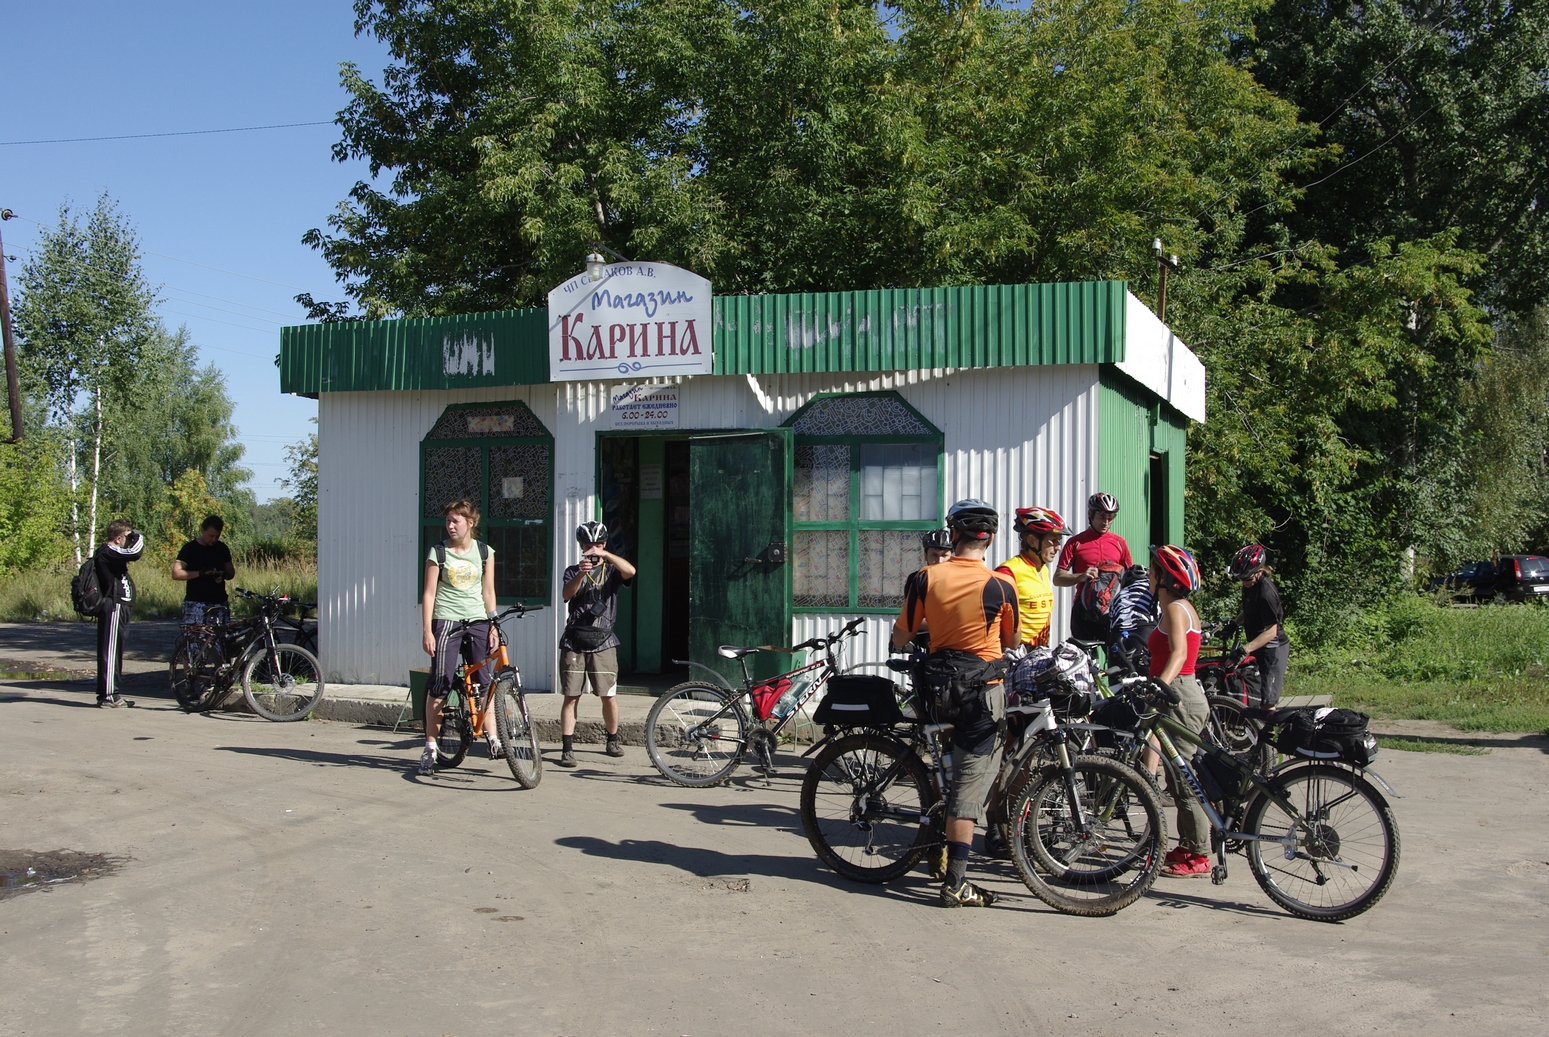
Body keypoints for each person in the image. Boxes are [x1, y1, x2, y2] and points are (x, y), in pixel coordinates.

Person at [891, 499, 1019, 908]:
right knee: (967, 786)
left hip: (938, 692)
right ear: (990, 539)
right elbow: (1012, 641)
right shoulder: (1002, 585)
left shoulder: (924, 578)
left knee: (942, 769)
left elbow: (901, 636)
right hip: (982, 694)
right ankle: (957, 882)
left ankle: (934, 844)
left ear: (954, 535)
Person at [1143, 544, 1213, 879]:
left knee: (1184, 780)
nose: (1148, 574)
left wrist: (1160, 684)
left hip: (1179, 695)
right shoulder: (1175, 607)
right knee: (1175, 774)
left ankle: (1199, 854)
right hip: (1178, 692)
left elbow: (1179, 654)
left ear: (1163, 578)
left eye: (1152, 570)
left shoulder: (1174, 608)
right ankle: (1188, 844)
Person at [419, 500, 500, 776]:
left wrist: (493, 624)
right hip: (447, 620)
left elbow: (488, 591)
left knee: (484, 682)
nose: (450, 526)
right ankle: (431, 746)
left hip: (478, 620)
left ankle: (493, 738)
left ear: (470, 523)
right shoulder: (439, 552)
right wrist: (427, 630)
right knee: (440, 683)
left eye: (456, 521)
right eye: (448, 521)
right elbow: (429, 593)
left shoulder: (485, 552)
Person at [557, 520, 637, 768]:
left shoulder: (612, 570)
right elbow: (566, 595)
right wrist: (582, 573)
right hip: (575, 640)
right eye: (588, 545)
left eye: (598, 544)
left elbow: (631, 571)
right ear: (581, 546)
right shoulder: (573, 570)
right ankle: (567, 748)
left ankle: (612, 740)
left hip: (604, 640)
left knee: (608, 695)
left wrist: (606, 555)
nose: (592, 549)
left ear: (604, 544)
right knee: (571, 696)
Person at [1053, 492, 1133, 640]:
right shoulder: (1075, 543)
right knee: (1081, 653)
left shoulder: (1120, 543)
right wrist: (1081, 576)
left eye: (1110, 518)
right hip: (1083, 610)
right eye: (1102, 516)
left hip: (1111, 609)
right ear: (1090, 514)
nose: (1106, 522)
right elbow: (1058, 579)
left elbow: (1130, 578)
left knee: (1117, 651)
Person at [995, 507, 1069, 648]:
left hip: (1038, 652)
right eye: (1053, 540)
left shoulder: (1043, 570)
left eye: (1058, 541)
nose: (1058, 547)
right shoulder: (1008, 572)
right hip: (1015, 654)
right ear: (1031, 540)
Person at [93, 520, 144, 707]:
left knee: (115, 649)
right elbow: (135, 553)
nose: (129, 541)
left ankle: (112, 693)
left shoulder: (112, 553)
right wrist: (139, 537)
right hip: (113, 605)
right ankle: (108, 695)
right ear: (118, 538)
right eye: (127, 537)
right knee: (110, 650)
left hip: (120, 606)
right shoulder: (108, 551)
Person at [1229, 544, 1287, 707]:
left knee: (1268, 701)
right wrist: (1234, 624)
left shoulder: (1266, 594)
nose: (1244, 582)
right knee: (1255, 693)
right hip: (1258, 644)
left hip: (1273, 648)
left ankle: (1269, 723)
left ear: (1260, 571)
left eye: (1247, 578)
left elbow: (1271, 631)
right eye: (1241, 579)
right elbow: (1249, 609)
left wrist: (1244, 650)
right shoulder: (1250, 585)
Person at [172, 515, 235, 626]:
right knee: (196, 636)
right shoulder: (189, 549)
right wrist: (201, 573)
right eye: (211, 536)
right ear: (202, 530)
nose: (214, 539)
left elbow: (231, 571)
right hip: (196, 603)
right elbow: (176, 573)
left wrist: (223, 575)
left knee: (222, 636)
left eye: (217, 536)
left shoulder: (222, 548)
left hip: (219, 602)